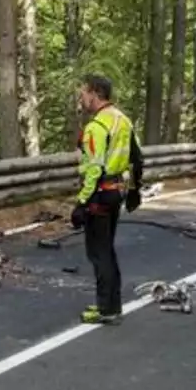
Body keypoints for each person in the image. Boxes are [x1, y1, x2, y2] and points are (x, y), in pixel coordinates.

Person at [72, 74, 144, 325]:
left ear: (94, 93)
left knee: (98, 252)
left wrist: (81, 203)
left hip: (99, 195)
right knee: (107, 250)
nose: (81, 98)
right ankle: (112, 304)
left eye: (83, 93)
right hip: (117, 191)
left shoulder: (97, 126)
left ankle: (107, 309)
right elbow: (137, 157)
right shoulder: (122, 120)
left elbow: (93, 169)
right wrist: (135, 191)